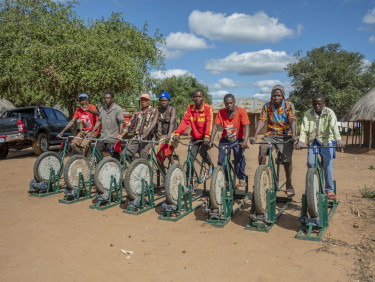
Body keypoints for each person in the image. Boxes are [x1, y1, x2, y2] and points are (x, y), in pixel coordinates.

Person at [250, 85, 297, 197]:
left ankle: (289, 184)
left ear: (283, 96)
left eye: (278, 95)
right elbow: (262, 120)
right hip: (271, 135)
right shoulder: (267, 106)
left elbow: (292, 119)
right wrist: (255, 136)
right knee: (262, 149)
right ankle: (261, 178)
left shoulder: (288, 105)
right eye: (274, 95)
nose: (276, 98)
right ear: (271, 96)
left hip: (285, 135)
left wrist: (294, 135)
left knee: (287, 161)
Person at [296, 93, 344, 200]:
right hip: (313, 141)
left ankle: (329, 189)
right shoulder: (308, 113)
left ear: (324, 104)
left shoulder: (330, 112)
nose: (317, 106)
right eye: (314, 104)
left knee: (327, 165)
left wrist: (338, 139)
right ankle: (313, 185)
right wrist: (301, 142)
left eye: (319, 104)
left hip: (327, 141)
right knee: (311, 163)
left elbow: (334, 126)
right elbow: (304, 129)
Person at [209, 94, 250, 187]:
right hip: (225, 139)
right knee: (221, 161)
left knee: (238, 157)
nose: (229, 105)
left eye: (231, 103)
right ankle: (227, 180)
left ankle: (241, 177)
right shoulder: (221, 112)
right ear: (225, 104)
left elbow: (246, 126)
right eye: (227, 103)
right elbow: (215, 126)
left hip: (238, 139)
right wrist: (211, 140)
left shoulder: (241, 111)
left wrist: (245, 141)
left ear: (234, 102)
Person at [173, 89, 214, 174]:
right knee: (190, 158)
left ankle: (210, 165)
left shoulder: (208, 108)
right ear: (193, 98)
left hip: (204, 138)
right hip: (195, 137)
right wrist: (177, 133)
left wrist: (207, 136)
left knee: (202, 152)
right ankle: (189, 180)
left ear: (203, 98)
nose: (197, 98)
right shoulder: (190, 108)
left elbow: (209, 122)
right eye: (195, 96)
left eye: (199, 96)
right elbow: (185, 121)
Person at [117, 93, 158, 160]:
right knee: (125, 153)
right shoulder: (137, 112)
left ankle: (145, 168)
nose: (143, 101)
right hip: (136, 137)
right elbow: (129, 125)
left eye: (145, 100)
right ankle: (135, 165)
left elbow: (152, 125)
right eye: (142, 100)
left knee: (142, 152)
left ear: (149, 101)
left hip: (148, 138)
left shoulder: (153, 111)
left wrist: (145, 135)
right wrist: (122, 135)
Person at [90, 91, 124, 159]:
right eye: (105, 98)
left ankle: (121, 164)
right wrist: (92, 132)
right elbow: (99, 121)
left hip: (113, 137)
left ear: (112, 99)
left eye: (108, 98)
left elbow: (121, 122)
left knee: (113, 152)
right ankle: (100, 165)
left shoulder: (117, 109)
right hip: (103, 136)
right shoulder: (102, 109)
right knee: (95, 148)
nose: (106, 100)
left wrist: (120, 134)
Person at [154, 91, 178, 176]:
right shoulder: (158, 109)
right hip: (163, 135)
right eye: (161, 100)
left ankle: (174, 170)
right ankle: (165, 177)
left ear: (169, 101)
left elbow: (171, 123)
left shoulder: (172, 109)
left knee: (167, 151)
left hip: (172, 133)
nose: (163, 102)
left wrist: (168, 135)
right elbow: (154, 122)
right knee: (158, 158)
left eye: (165, 100)